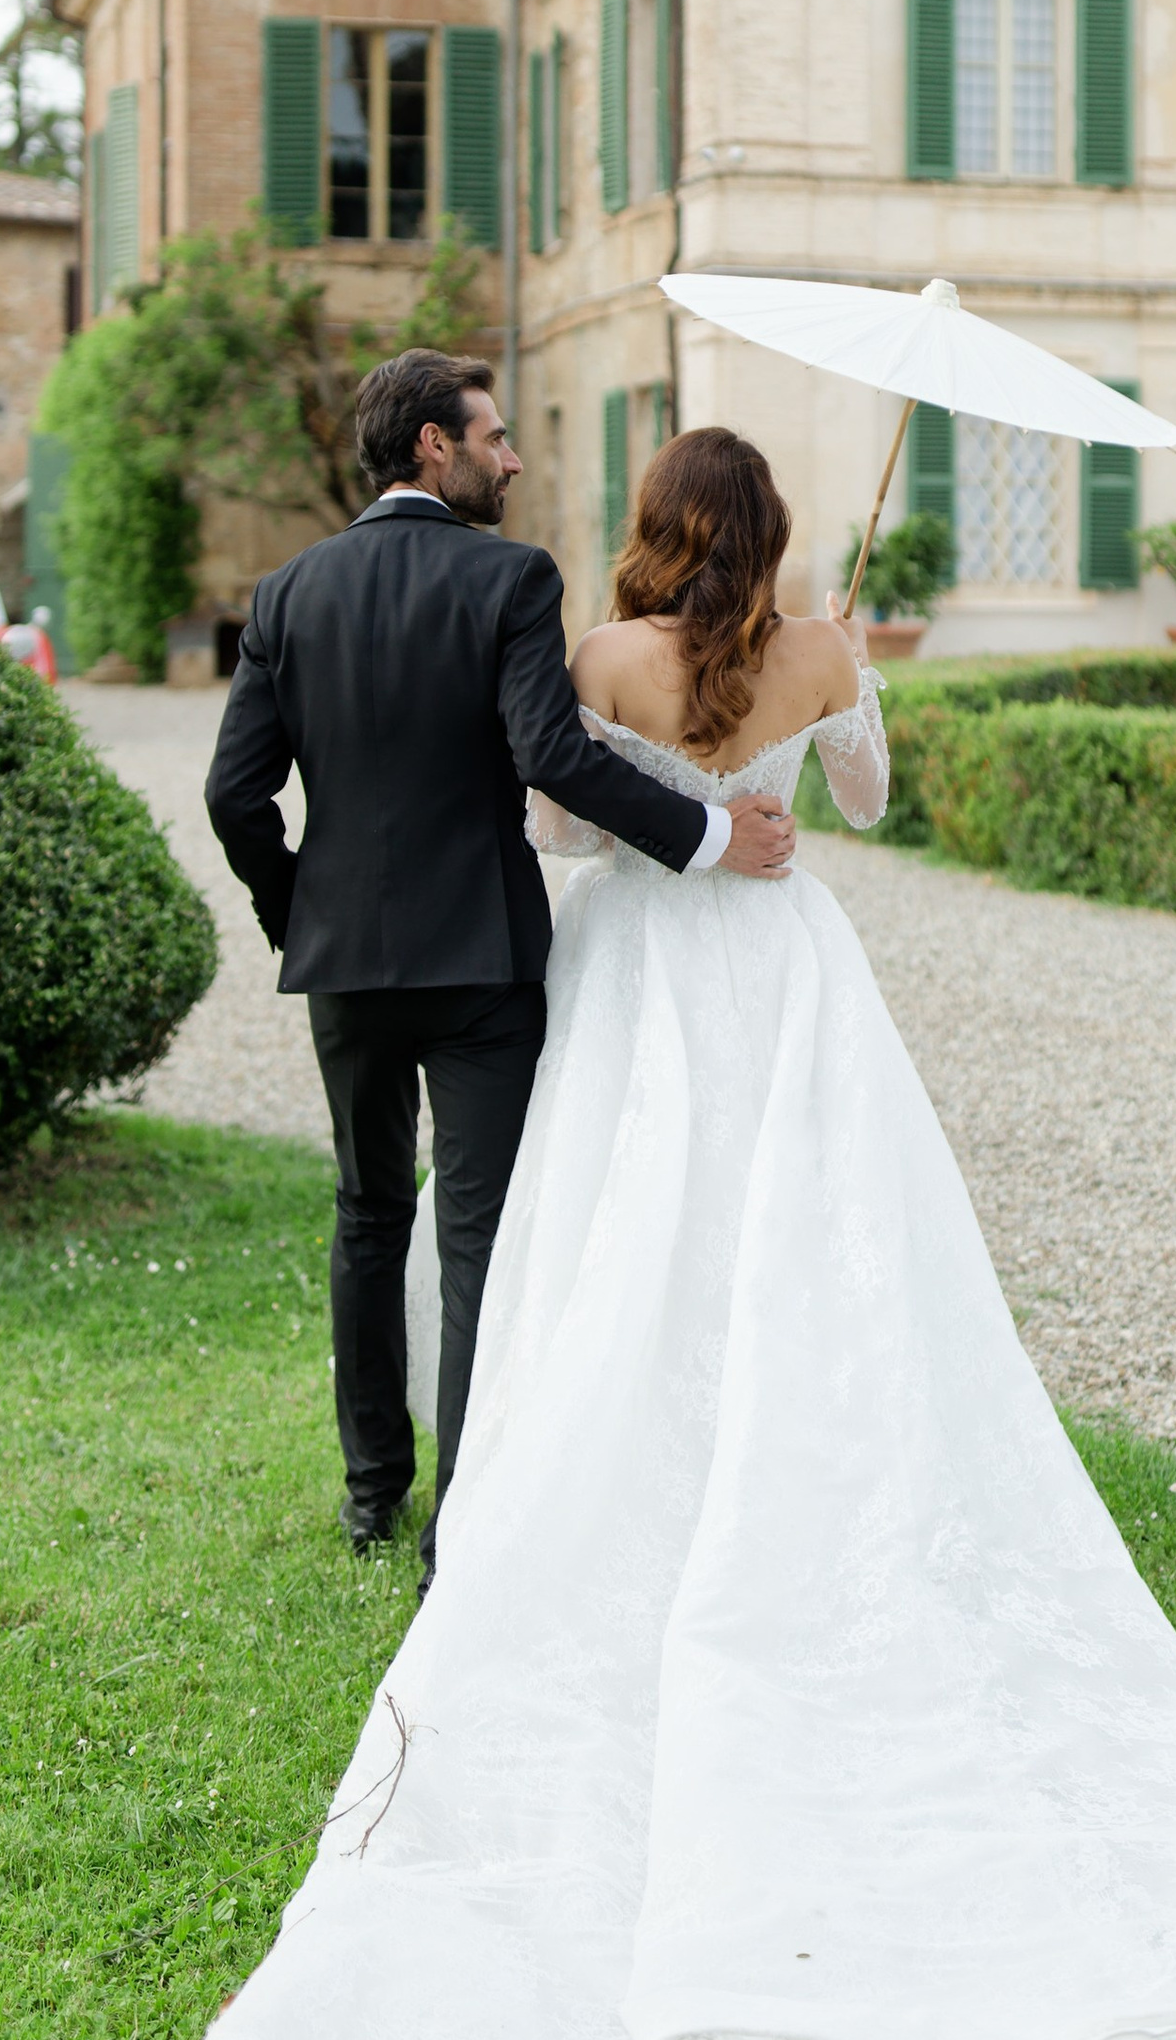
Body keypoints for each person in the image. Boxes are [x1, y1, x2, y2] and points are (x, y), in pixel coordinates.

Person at [181, 425, 1176, 2040]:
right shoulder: (816, 646)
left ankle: (537, 1466)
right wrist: (841, 672)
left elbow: (558, 811)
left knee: (605, 1236)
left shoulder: (602, 653)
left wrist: (683, 805)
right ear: (778, 531)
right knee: (821, 1242)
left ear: (652, 529)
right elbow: (862, 806)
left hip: (637, 966)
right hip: (788, 977)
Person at [203, 350, 797, 1581]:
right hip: (480, 959)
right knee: (478, 1233)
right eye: (496, 437)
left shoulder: (286, 591)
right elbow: (550, 755)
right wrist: (705, 833)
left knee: (367, 1212)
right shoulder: (511, 578)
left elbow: (233, 795)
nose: (514, 457)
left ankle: (372, 1493)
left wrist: (294, 908)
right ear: (434, 443)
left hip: (345, 964)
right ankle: (456, 1525)